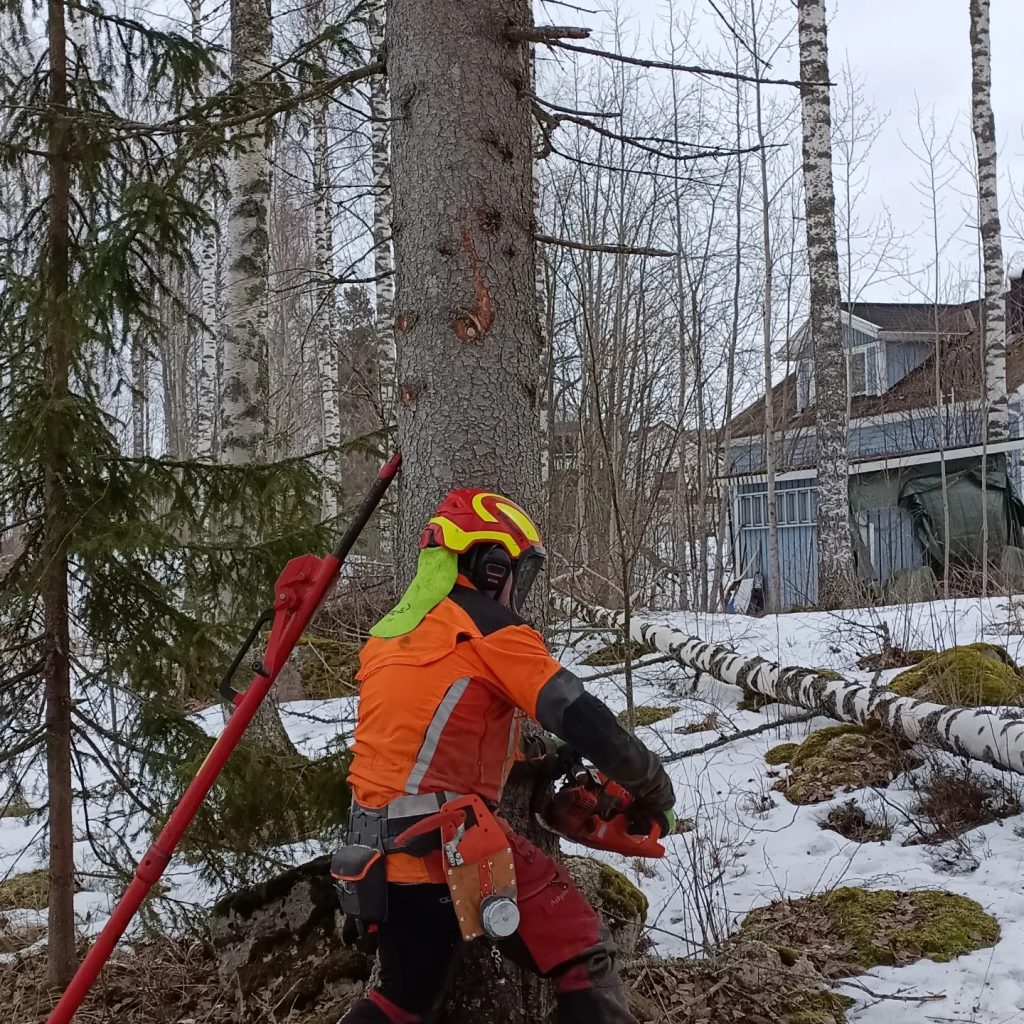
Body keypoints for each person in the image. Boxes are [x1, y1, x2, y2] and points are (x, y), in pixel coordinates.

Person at [339, 489, 676, 1024]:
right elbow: (584, 717)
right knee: (582, 951)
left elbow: (441, 733)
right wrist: (654, 785)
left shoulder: (391, 636)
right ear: (493, 566)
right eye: (517, 570)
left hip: (373, 859)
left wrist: (547, 759)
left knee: (401, 1002)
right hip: (445, 849)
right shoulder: (488, 628)